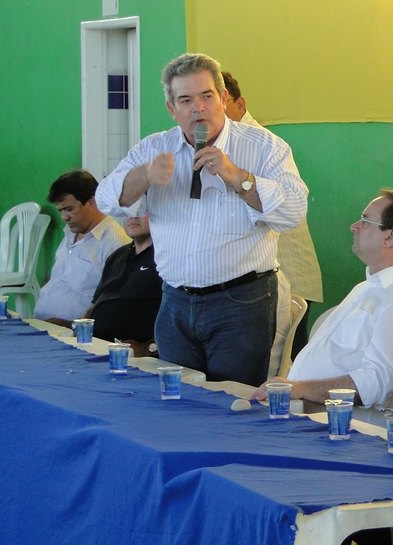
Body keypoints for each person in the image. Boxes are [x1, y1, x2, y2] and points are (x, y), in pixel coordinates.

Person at [96, 53, 308, 386]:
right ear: (172, 108)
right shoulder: (154, 148)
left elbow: (294, 211)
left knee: (232, 404)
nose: (198, 108)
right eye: (186, 100)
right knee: (177, 404)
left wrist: (237, 176)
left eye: (207, 96)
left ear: (223, 98)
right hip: (174, 301)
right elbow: (106, 198)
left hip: (241, 303)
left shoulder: (264, 147)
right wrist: (144, 177)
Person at [252, 189, 393, 420]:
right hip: (307, 414)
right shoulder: (372, 287)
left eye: (365, 220)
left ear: (391, 237)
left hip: (345, 429)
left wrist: (300, 388)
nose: (354, 226)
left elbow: (373, 383)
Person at [222, 71, 323, 358]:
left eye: (222, 103)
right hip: (253, 284)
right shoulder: (225, 146)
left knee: (282, 369)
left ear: (240, 104)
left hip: (286, 277)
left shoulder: (260, 145)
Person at [34, 169, 130, 327]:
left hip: (72, 334)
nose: (64, 217)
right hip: (41, 324)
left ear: (92, 202)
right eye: (61, 211)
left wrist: (70, 325)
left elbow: (112, 308)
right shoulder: (70, 233)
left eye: (69, 209)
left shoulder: (115, 244)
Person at [83, 210, 162, 358]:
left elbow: (176, 314)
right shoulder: (117, 255)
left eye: (142, 210)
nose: (133, 216)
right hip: (94, 347)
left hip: (133, 358)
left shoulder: (166, 258)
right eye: (128, 210)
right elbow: (94, 305)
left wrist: (150, 347)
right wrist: (77, 328)